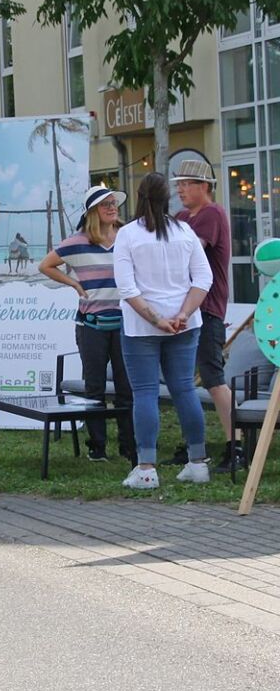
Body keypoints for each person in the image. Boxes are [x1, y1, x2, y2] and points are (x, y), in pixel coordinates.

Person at [113, 172, 214, 490]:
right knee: (184, 388)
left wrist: (156, 319)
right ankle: (198, 463)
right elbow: (203, 279)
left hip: (142, 326)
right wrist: (183, 313)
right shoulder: (185, 231)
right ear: (166, 198)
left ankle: (146, 468)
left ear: (140, 196)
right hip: (185, 324)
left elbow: (126, 287)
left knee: (145, 392)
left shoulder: (128, 234)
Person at [39, 186, 136, 463]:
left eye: (113, 203)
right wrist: (74, 284)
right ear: (92, 211)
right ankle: (98, 447)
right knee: (94, 387)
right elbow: (45, 265)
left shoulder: (127, 237)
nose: (112, 208)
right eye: (105, 204)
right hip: (91, 324)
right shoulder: (77, 241)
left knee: (125, 387)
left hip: (125, 322)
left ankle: (129, 446)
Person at [173, 160, 240, 472]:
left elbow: (186, 252)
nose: (180, 189)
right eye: (178, 184)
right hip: (184, 310)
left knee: (213, 379)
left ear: (204, 186)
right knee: (183, 381)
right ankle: (192, 445)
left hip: (207, 310)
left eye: (186, 183)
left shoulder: (211, 213)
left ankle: (235, 445)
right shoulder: (184, 216)